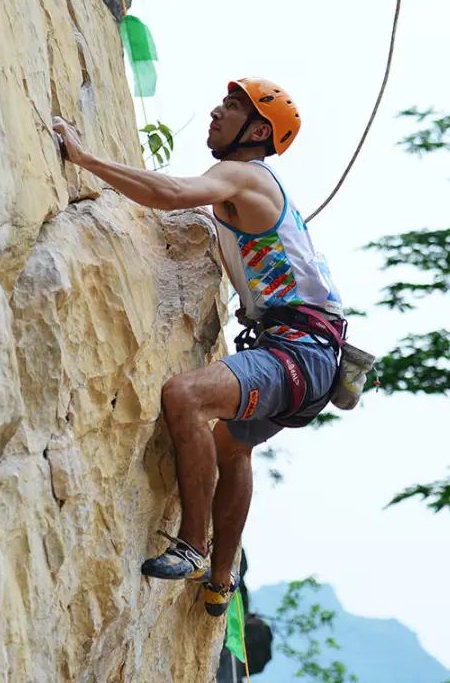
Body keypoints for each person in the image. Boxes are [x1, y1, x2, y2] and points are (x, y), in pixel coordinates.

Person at [52, 78, 344, 616]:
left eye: (231, 108)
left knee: (186, 396)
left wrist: (82, 157)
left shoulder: (242, 175)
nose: (216, 111)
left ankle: (192, 545)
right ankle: (221, 580)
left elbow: (170, 195)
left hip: (295, 353)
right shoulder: (255, 183)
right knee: (233, 446)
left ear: (257, 131)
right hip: (313, 359)